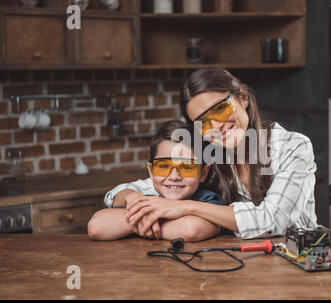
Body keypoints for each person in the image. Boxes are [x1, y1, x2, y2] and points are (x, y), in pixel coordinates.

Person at [104, 68, 318, 240]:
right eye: (203, 122)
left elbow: (273, 219)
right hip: (239, 266)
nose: (217, 126)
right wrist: (134, 200)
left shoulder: (294, 147)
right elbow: (124, 191)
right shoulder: (209, 156)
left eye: (220, 109)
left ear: (242, 98)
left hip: (300, 261)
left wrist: (183, 207)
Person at [88, 120, 222, 241]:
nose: (174, 177)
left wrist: (144, 218)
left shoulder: (208, 200)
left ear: (203, 173)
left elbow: (191, 229)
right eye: (163, 166)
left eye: (187, 167)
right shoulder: (148, 194)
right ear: (151, 171)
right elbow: (96, 227)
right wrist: (134, 200)